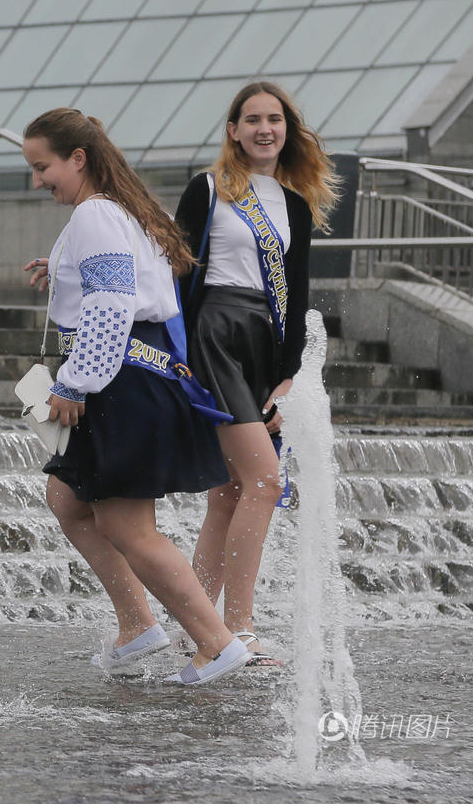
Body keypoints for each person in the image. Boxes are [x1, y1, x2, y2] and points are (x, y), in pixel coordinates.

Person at [21, 108, 248, 685]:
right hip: (137, 376)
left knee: (129, 528)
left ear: (78, 159)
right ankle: (137, 626)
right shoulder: (120, 209)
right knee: (68, 499)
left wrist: (75, 381)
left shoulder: (95, 213)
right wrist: (62, 270)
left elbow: (112, 302)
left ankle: (216, 644)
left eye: (42, 167)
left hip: (121, 381)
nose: (37, 180)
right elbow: (128, 286)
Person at [174, 82, 338, 667]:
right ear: (234, 131)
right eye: (253, 120)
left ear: (287, 130)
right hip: (214, 334)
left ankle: (195, 627)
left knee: (230, 493)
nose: (265, 129)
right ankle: (238, 628)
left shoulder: (294, 205)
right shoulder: (209, 188)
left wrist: (288, 376)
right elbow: (174, 267)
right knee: (265, 482)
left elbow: (298, 293)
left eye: (275, 119)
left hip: (263, 342)